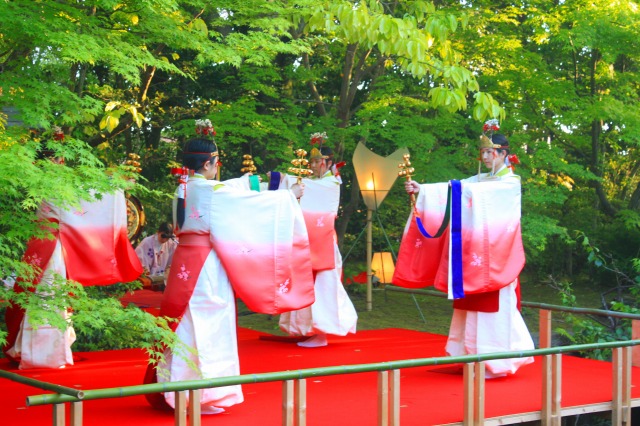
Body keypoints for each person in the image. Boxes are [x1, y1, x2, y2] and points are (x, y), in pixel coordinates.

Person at [144, 135, 315, 414]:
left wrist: (259, 181)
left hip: (184, 261)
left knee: (184, 323)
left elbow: (234, 190)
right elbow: (247, 205)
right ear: (208, 163)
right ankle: (198, 395)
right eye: (216, 163)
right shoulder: (211, 191)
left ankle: (173, 390)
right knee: (208, 326)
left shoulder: (184, 187)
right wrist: (288, 196)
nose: (217, 167)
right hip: (205, 267)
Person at [394, 121, 534, 378]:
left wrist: (461, 190)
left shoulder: (510, 182)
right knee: (469, 306)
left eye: (490, 152)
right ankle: (469, 356)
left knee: (493, 308)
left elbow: (467, 190)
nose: (485, 157)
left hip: (497, 256)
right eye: (483, 152)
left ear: (503, 153)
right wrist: (422, 189)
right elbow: (452, 188)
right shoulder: (480, 179)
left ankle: (497, 362)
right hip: (473, 255)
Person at [4, 142, 143, 369]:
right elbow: (88, 200)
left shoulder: (39, 180)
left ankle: (36, 352)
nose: (60, 163)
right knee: (49, 296)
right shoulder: (55, 184)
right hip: (51, 247)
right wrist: (116, 185)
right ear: (56, 160)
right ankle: (44, 356)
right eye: (58, 159)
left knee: (40, 296)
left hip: (40, 245)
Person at [276, 132, 358, 348]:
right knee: (306, 282)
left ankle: (322, 332)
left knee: (323, 285)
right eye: (311, 161)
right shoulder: (315, 182)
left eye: (317, 161)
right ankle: (306, 328)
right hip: (310, 239)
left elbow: (308, 189)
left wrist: (284, 179)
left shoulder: (331, 183)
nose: (312, 166)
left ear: (328, 163)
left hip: (324, 241)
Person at [135, 222, 178, 290]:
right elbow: (141, 259)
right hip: (148, 278)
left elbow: (174, 258)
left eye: (167, 238)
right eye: (163, 236)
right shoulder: (147, 242)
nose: (165, 240)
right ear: (158, 232)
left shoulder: (170, 243)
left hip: (162, 277)